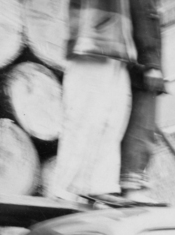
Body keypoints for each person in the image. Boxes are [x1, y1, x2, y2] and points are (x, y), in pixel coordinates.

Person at [48, 0, 138, 204]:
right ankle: (65, 190)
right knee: (84, 117)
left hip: (117, 47)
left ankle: (101, 186)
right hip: (91, 41)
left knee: (112, 121)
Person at [121, 0, 166, 204]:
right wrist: (152, 64)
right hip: (141, 69)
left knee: (142, 129)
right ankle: (132, 186)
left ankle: (133, 183)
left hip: (135, 65)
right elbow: (144, 20)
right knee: (141, 128)